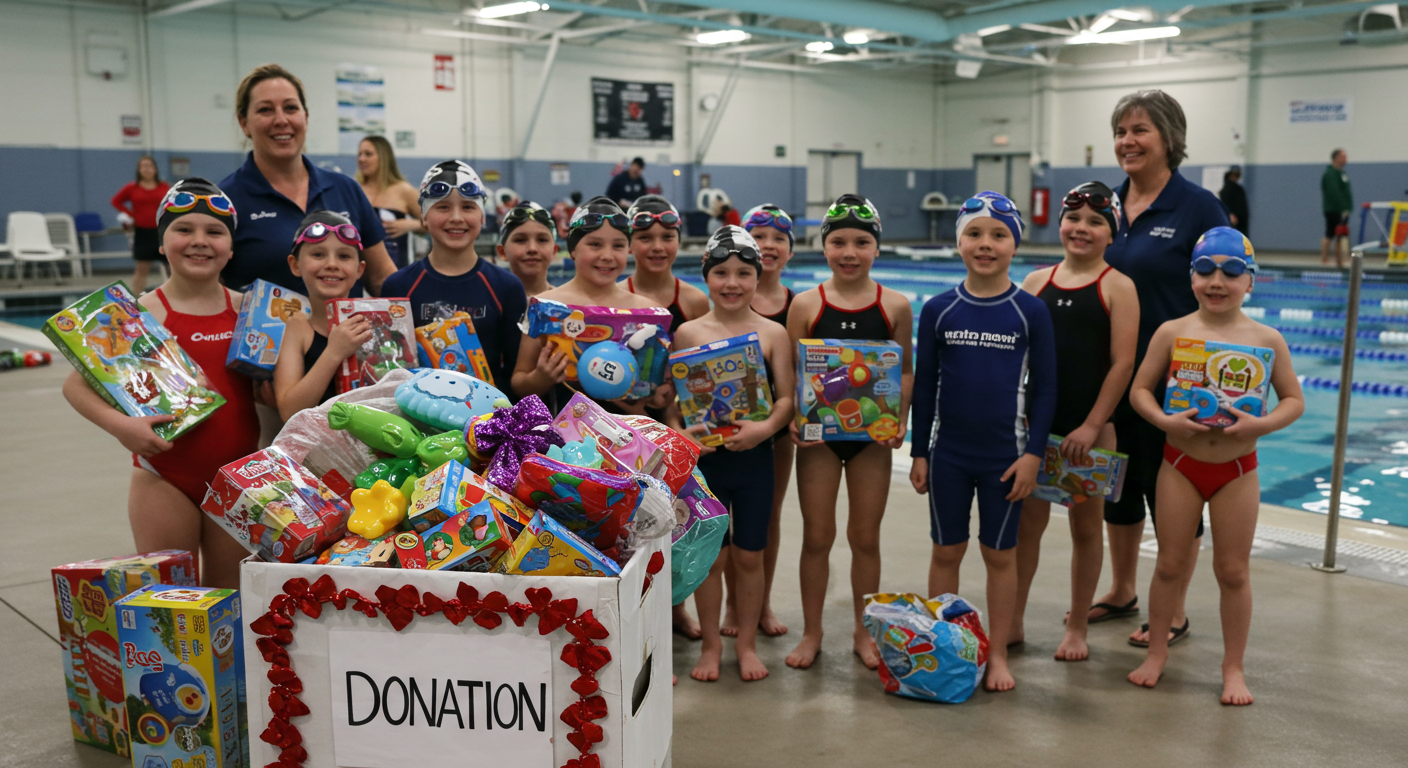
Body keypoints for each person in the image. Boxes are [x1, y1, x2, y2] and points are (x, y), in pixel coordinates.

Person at [1127, 227, 1303, 705]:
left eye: (1232, 271)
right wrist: (1163, 419)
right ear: (1191, 278)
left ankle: (1233, 668)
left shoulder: (1266, 338)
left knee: (1233, 572)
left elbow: (1293, 400)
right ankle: (1157, 654)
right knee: (1169, 565)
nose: (1217, 281)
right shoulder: (1173, 332)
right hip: (1179, 466)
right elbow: (1139, 390)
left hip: (1237, 471)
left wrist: (1260, 425)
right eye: (1205, 270)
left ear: (1251, 281)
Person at [63, 178, 257, 588]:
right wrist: (122, 427)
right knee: (171, 600)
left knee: (231, 601)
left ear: (231, 248)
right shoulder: (138, 314)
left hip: (236, 477)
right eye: (184, 229)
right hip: (163, 476)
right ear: (161, 242)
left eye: (215, 231)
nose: (199, 240)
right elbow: (75, 386)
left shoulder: (252, 313)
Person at [1097, 90, 1231, 649]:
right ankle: (1123, 588)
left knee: (1171, 492)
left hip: (1175, 382)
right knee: (1119, 486)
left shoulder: (1197, 207)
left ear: (1169, 138)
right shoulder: (1105, 203)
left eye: (1140, 130)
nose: (1127, 141)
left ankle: (1172, 609)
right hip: (1110, 373)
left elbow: (1223, 287)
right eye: (1121, 131)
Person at [909, 192, 1056, 692]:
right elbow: (925, 385)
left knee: (1000, 555)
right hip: (949, 455)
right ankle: (944, 648)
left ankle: (997, 655)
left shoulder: (1029, 311)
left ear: (1015, 244)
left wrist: (1033, 454)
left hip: (1006, 458)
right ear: (959, 242)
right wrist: (920, 452)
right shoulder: (939, 309)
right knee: (946, 551)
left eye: (999, 234)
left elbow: (1046, 388)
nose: (986, 244)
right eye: (974, 233)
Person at [785, 194, 913, 671]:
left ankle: (864, 631)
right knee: (817, 537)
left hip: (871, 441)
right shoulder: (806, 304)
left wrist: (900, 419)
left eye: (861, 242)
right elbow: (793, 373)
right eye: (838, 242)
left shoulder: (895, 305)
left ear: (876, 248)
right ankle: (812, 631)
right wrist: (796, 416)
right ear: (824, 247)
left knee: (865, 538)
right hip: (819, 439)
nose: (850, 252)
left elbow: (904, 371)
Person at [1011, 182, 1139, 660]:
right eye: (1074, 219)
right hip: (1036, 430)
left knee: (1086, 531)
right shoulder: (1035, 282)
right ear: (1060, 224)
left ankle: (1078, 627)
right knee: (1027, 529)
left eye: (1096, 222)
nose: (1082, 228)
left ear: (1112, 233)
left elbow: (1122, 364)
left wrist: (1091, 425)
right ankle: (1014, 619)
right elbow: (1018, 359)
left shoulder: (1118, 286)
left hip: (1091, 431)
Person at [672, 226, 796, 683]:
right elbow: (674, 404)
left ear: (757, 278)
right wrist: (682, 434)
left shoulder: (773, 333)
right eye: (721, 272)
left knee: (749, 556)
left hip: (755, 460)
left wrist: (764, 428)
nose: (732, 282)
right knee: (711, 558)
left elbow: (787, 400)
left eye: (744, 273)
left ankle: (745, 644)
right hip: (707, 464)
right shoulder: (688, 333)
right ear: (706, 276)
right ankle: (711, 645)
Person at [220, 64, 395, 294]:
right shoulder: (226, 200)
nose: (281, 120)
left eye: (290, 108)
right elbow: (209, 293)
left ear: (305, 117)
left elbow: (382, 279)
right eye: (265, 110)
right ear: (244, 124)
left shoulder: (346, 189)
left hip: (345, 319)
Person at [719, 204, 797, 640]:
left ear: (790, 250)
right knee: (726, 522)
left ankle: (760, 602)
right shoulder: (724, 296)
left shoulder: (796, 305)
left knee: (767, 516)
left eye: (778, 238)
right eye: (759, 236)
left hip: (775, 429)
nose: (768, 245)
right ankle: (734, 604)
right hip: (724, 429)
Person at [380, 161, 526, 394]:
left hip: (489, 413)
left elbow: (514, 375)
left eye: (468, 207)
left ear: (482, 218)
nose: (456, 217)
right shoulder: (398, 287)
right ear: (424, 217)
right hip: (416, 414)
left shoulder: (506, 287)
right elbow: (391, 371)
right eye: (443, 207)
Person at [511, 196, 659, 408]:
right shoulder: (545, 307)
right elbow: (519, 383)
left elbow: (653, 387)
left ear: (629, 250)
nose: (607, 255)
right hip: (565, 427)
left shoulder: (647, 312)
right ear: (573, 250)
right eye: (595, 244)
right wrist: (540, 378)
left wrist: (658, 394)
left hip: (628, 426)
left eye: (618, 246)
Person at [273, 212, 369, 420]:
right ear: (295, 265)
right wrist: (334, 353)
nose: (332, 264)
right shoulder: (298, 328)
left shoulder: (377, 325)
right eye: (318, 254)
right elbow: (289, 412)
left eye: (344, 256)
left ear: (359, 269)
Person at [624, 195, 709, 333]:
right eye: (645, 238)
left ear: (679, 242)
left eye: (667, 237)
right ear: (628, 245)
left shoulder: (695, 301)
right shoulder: (614, 300)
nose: (658, 247)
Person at [356, 135, 423, 269]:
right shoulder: (355, 189)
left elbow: (434, 221)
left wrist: (411, 224)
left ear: (384, 158)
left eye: (368, 154)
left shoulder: (403, 190)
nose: (361, 159)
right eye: (359, 154)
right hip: (360, 268)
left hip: (396, 267)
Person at [110, 155, 172, 294]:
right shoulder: (132, 188)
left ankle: (176, 298)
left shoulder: (164, 187)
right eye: (143, 166)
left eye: (149, 166)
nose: (147, 169)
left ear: (155, 169)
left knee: (171, 268)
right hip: (143, 233)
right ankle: (136, 299)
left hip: (162, 232)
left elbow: (172, 204)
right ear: (139, 170)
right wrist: (131, 215)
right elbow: (115, 201)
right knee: (141, 269)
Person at [496, 201, 557, 297]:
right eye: (520, 240)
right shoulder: (488, 303)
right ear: (502, 252)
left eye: (542, 240)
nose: (532, 248)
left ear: (554, 251)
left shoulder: (568, 304)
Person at [1321, 149, 1352, 269]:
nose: (1346, 159)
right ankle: (1325, 259)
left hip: (1341, 209)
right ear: (1336, 158)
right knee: (1330, 234)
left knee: (1340, 235)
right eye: (1343, 157)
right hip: (1334, 209)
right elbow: (1333, 193)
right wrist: (1342, 209)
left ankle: (1340, 261)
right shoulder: (1331, 174)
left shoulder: (1341, 173)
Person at [1219, 166, 1249, 236]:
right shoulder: (1228, 188)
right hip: (1234, 220)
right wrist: (1230, 214)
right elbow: (1225, 202)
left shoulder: (1237, 188)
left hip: (1240, 220)